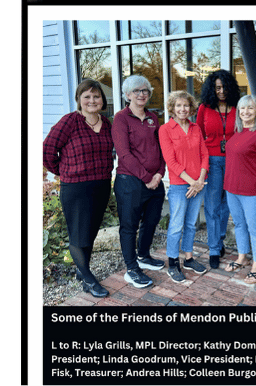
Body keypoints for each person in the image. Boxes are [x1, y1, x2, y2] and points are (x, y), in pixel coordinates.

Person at [43, 79, 113, 297]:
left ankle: (83, 272)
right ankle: (88, 278)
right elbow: (47, 150)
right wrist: (62, 171)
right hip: (75, 188)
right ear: (79, 100)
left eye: (96, 96)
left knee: (90, 232)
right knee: (78, 234)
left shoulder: (107, 123)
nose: (92, 101)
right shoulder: (70, 121)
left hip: (101, 184)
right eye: (87, 96)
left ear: (102, 100)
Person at [112, 75, 166, 289]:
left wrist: (160, 174)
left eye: (145, 91)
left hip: (155, 181)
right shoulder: (121, 119)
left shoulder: (153, 117)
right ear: (127, 95)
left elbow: (162, 149)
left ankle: (143, 255)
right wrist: (146, 178)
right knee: (129, 226)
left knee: (152, 220)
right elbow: (124, 154)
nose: (142, 94)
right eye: (137, 91)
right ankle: (132, 268)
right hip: (130, 182)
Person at [159, 91, 210, 283]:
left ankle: (188, 259)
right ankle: (173, 263)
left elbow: (205, 155)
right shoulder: (165, 130)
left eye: (186, 105)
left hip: (199, 184)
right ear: (172, 108)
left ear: (191, 108)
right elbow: (170, 161)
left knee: (190, 224)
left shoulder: (196, 128)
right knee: (176, 225)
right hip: (181, 186)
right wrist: (193, 182)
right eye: (178, 105)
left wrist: (200, 179)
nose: (183, 109)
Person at [223, 95, 256, 285]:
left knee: (255, 228)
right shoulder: (237, 131)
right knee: (239, 225)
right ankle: (242, 257)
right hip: (232, 188)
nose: (246, 112)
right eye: (242, 108)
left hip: (252, 190)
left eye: (250, 108)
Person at [196, 70, 240, 268]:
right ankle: (214, 248)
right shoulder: (204, 108)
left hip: (233, 160)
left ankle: (219, 239)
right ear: (212, 89)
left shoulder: (238, 108)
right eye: (217, 88)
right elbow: (199, 135)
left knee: (227, 205)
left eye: (224, 87)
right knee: (212, 206)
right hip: (212, 161)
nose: (221, 91)